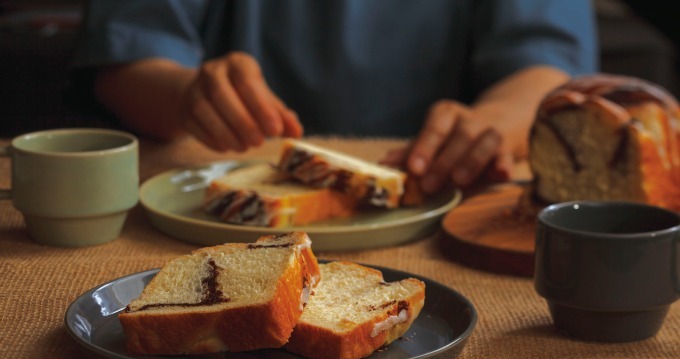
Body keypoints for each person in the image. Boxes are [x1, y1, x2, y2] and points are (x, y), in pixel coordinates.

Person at [73, 0, 597, 194]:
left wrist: (489, 123)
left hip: (434, 200)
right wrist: (188, 95)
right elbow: (126, 61)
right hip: (208, 186)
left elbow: (547, 71)